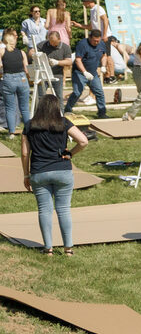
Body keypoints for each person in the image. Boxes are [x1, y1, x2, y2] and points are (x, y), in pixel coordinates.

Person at [20, 95, 88, 255]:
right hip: (63, 171)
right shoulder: (64, 122)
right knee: (63, 209)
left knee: (44, 210)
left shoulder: (29, 125)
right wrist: (70, 153)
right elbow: (83, 141)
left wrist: (26, 175)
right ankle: (68, 248)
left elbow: (24, 153)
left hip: (39, 172)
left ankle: (48, 248)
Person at [69, 28, 110, 118]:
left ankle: (102, 113)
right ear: (90, 37)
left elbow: (104, 55)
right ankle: (67, 110)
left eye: (98, 41)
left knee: (99, 92)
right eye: (95, 41)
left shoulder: (101, 44)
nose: (96, 43)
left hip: (93, 72)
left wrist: (103, 65)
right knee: (77, 92)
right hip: (79, 72)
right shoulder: (82, 44)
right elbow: (78, 60)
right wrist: (84, 72)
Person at [2, 30, 31, 135]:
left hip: (8, 79)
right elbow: (26, 69)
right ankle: (28, 132)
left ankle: (12, 133)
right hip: (22, 79)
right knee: (25, 108)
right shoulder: (22, 52)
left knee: (10, 108)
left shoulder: (2, 51)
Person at [43, 31, 74, 103]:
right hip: (44, 74)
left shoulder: (65, 47)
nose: (52, 44)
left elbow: (69, 62)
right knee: (40, 95)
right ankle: (39, 113)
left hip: (57, 75)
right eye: (50, 42)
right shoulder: (44, 44)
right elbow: (32, 51)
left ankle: (60, 113)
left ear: (59, 39)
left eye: (54, 42)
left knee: (59, 97)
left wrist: (58, 62)